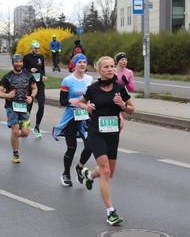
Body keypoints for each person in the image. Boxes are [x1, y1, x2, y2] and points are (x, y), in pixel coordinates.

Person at [70, 56, 134, 226]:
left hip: (113, 134)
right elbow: (79, 103)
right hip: (96, 132)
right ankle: (110, 212)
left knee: (109, 173)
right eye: (106, 67)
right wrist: (86, 106)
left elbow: (132, 109)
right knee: (105, 171)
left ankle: (89, 175)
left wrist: (122, 106)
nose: (110, 69)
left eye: (112, 66)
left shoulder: (120, 88)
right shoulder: (92, 88)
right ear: (99, 70)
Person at [52, 53, 93, 187]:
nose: (82, 64)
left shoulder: (89, 79)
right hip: (71, 117)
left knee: (90, 145)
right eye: (79, 62)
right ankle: (66, 174)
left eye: (84, 62)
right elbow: (62, 101)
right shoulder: (67, 81)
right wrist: (71, 100)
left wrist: (91, 105)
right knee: (72, 147)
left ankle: (79, 167)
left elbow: (92, 96)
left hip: (85, 117)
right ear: (74, 64)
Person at [0, 54, 37, 163]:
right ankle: (15, 153)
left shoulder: (28, 76)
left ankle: (14, 137)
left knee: (25, 132)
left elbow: (34, 88)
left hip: (24, 107)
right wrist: (8, 95)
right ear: (13, 63)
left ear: (22, 63)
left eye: (20, 62)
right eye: (16, 62)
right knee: (15, 130)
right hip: (11, 107)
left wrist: (31, 97)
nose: (18, 64)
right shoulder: (7, 77)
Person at [23, 41, 47, 138]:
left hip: (40, 84)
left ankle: (37, 127)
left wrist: (44, 76)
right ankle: (25, 126)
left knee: (41, 105)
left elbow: (43, 68)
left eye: (38, 48)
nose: (37, 50)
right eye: (35, 48)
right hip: (30, 85)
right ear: (32, 48)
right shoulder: (26, 57)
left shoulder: (40, 57)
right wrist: (30, 70)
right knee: (29, 107)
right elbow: (22, 70)